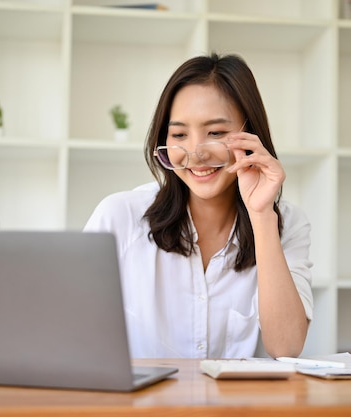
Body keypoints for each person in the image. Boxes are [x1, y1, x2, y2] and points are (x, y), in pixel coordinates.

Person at [84, 53, 313, 359]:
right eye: (179, 134)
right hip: (144, 407)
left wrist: (261, 216)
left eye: (215, 133)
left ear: (250, 133)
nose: (195, 153)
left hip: (239, 408)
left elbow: (286, 348)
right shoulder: (119, 216)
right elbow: (68, 331)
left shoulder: (288, 223)